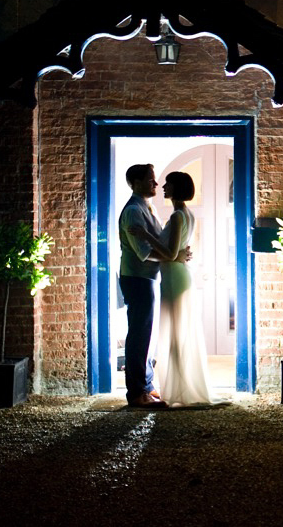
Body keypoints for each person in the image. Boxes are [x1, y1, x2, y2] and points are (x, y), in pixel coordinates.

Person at [129, 170, 214, 407]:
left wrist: (146, 234)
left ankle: (180, 389)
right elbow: (178, 252)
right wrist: (177, 255)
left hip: (175, 277)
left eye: (168, 184)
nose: (163, 187)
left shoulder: (178, 216)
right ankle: (179, 386)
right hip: (176, 274)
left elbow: (170, 253)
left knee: (176, 333)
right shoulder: (188, 214)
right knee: (179, 332)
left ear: (176, 188)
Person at [118, 163, 189, 409]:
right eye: (151, 179)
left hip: (149, 278)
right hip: (137, 278)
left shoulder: (147, 208)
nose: (156, 184)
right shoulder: (134, 212)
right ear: (135, 183)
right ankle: (136, 393)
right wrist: (174, 257)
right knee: (138, 334)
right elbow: (143, 253)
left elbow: (160, 242)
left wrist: (174, 254)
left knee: (146, 333)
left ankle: (147, 385)